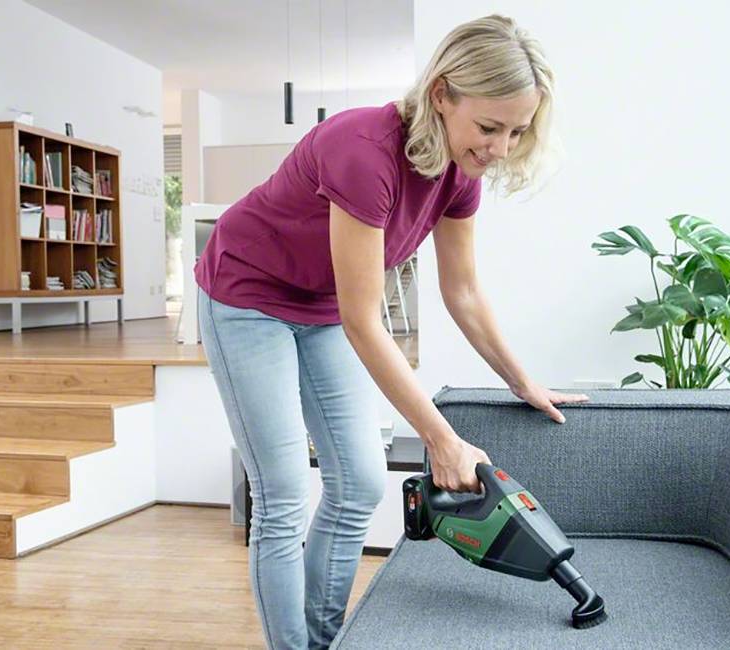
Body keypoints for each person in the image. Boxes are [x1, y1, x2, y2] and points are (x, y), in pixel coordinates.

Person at [194, 13, 588, 650]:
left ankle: (324, 642)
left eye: (516, 131)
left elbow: (461, 290)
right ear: (441, 95)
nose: (500, 148)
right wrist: (443, 440)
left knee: (359, 486)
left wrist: (524, 383)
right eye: (489, 127)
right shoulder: (364, 150)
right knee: (285, 491)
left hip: (318, 304)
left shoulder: (461, 173)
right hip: (247, 295)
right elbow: (363, 318)